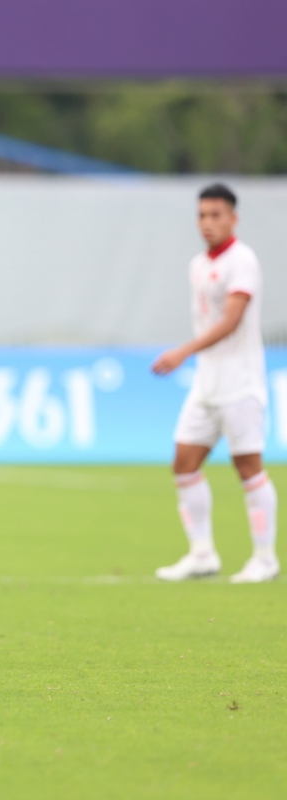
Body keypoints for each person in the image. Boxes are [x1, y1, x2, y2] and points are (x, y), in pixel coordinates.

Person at [152, 183, 277, 583]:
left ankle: (265, 558)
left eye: (216, 215)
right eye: (202, 215)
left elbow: (232, 320)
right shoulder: (198, 265)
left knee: (248, 467)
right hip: (208, 384)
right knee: (184, 463)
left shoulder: (242, 260)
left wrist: (183, 351)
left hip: (241, 383)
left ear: (233, 218)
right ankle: (202, 554)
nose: (207, 222)